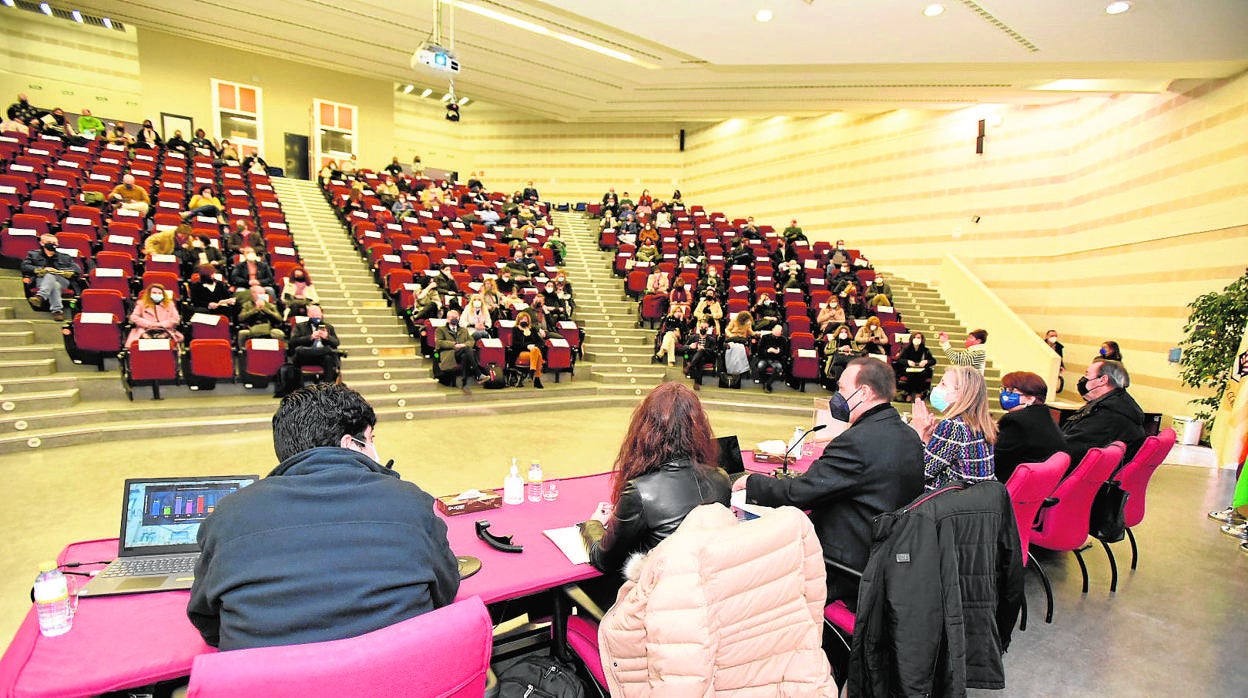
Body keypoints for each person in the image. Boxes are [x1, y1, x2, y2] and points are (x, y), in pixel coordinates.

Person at [187, 383, 458, 651]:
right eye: (371, 439)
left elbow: (208, 622)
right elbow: (444, 592)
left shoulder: (229, 514)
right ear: (350, 444)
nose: (375, 449)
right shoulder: (409, 501)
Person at [736, 358, 925, 607]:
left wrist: (752, 483)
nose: (837, 395)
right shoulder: (909, 435)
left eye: (842, 389)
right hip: (885, 560)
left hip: (844, 567)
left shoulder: (858, 441)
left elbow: (800, 493)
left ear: (864, 392)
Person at [580, 382, 731, 599]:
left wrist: (592, 524)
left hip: (652, 603)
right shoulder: (721, 479)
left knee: (573, 588)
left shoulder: (640, 492)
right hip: (702, 594)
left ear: (646, 429)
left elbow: (604, 560)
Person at [911, 366, 998, 490]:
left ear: (959, 394)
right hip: (975, 502)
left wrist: (918, 432)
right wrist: (928, 439)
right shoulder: (980, 423)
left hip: (952, 503)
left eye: (943, 384)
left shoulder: (953, 426)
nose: (936, 388)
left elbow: (919, 473)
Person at [1062, 358, 1146, 470]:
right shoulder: (1118, 404)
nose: (1083, 379)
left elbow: (1070, 448)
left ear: (1103, 380)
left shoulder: (1108, 413)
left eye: (1087, 374)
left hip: (1081, 473)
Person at [994, 371, 1068, 484]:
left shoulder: (1016, 421)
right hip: (1036, 487)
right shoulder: (1043, 416)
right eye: (1004, 390)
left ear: (1030, 399)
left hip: (1007, 486)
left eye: (1011, 391)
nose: (1005, 395)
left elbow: (993, 459)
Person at [277, 305, 341, 397]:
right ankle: (326, 350)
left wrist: (327, 337)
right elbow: (292, 342)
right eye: (314, 314)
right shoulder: (300, 326)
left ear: (322, 314)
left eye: (318, 314)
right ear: (308, 314)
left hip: (321, 357)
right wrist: (310, 337)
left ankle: (327, 390)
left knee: (329, 358)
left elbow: (336, 343)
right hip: (306, 356)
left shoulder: (328, 327)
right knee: (300, 350)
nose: (316, 316)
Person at [21, 234, 81, 322]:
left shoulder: (65, 256)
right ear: (41, 243)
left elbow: (76, 270)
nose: (52, 244)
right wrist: (41, 270)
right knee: (54, 284)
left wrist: (59, 271)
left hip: (62, 280)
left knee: (51, 275)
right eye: (49, 242)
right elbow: (25, 266)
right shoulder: (33, 254)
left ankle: (40, 297)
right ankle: (57, 311)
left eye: (54, 242)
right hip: (41, 280)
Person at [436, 309, 482, 392]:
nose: (454, 319)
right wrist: (453, 345)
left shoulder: (463, 330)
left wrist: (463, 345)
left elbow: (471, 341)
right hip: (449, 354)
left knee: (465, 355)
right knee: (467, 350)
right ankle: (478, 373)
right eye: (452, 317)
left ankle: (464, 384)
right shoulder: (440, 330)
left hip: (462, 352)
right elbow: (439, 343)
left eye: (456, 317)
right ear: (447, 319)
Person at [126, 284, 184, 349]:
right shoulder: (141, 304)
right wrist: (149, 324)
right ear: (149, 294)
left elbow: (176, 318)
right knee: (145, 337)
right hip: (144, 329)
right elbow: (134, 317)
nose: (157, 295)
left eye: (159, 293)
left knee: (164, 337)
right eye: (154, 293)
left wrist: (160, 324)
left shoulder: (170, 304)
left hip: (165, 329)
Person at [894, 331, 935, 401]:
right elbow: (899, 360)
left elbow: (933, 361)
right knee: (911, 374)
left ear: (921, 339)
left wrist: (926, 361)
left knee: (921, 374)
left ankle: (918, 393)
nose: (916, 339)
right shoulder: (906, 349)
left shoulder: (925, 350)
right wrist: (907, 362)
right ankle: (909, 393)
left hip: (922, 370)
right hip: (909, 369)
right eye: (915, 337)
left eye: (918, 338)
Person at [511, 313, 546, 389]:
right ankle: (536, 377)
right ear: (519, 320)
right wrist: (527, 346)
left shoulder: (532, 329)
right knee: (538, 354)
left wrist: (534, 346)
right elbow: (515, 344)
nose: (524, 321)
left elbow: (541, 342)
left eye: (526, 320)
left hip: (533, 352)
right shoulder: (515, 329)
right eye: (522, 319)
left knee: (536, 350)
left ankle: (533, 371)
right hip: (521, 352)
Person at [683, 318, 718, 391]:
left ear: (708, 329)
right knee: (700, 359)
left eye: (705, 328)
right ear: (699, 327)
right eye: (702, 327)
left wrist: (703, 348)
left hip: (707, 356)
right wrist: (691, 346)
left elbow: (713, 351)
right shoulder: (693, 337)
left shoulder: (711, 339)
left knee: (701, 352)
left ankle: (690, 367)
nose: (703, 329)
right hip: (695, 356)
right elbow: (684, 347)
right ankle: (697, 382)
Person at [755, 323, 789, 393]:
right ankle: (765, 383)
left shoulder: (783, 340)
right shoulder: (765, 337)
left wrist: (779, 352)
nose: (777, 333)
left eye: (779, 332)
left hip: (776, 359)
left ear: (781, 333)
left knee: (779, 367)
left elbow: (785, 353)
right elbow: (759, 351)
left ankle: (768, 383)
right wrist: (768, 351)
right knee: (760, 366)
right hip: (765, 358)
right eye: (776, 331)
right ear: (772, 330)